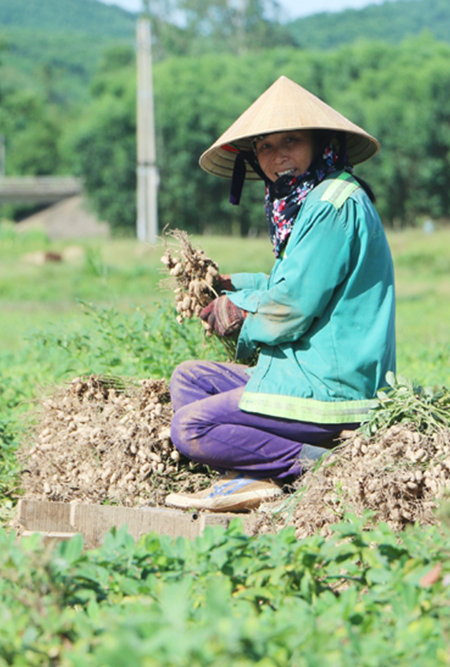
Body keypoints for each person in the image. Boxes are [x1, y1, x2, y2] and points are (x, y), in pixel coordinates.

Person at [164, 76, 396, 512]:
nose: (277, 157)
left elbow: (292, 306)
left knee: (191, 429)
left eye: (291, 140)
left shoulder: (332, 204)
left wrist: (238, 313)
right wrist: (232, 285)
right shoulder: (311, 199)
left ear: (320, 142)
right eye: (266, 147)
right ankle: (252, 477)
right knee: (189, 379)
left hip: (332, 387)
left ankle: (318, 468)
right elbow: (286, 282)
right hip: (302, 373)